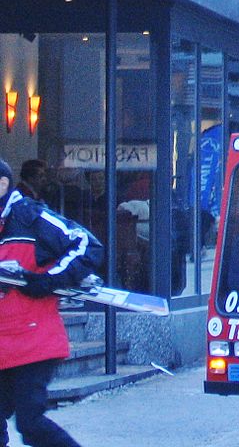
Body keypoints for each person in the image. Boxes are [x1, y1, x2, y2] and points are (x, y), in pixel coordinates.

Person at [0, 156, 103, 447]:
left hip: (34, 340)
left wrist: (47, 282)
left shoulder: (29, 216)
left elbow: (86, 245)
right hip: (3, 343)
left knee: (30, 423)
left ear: (2, 184)